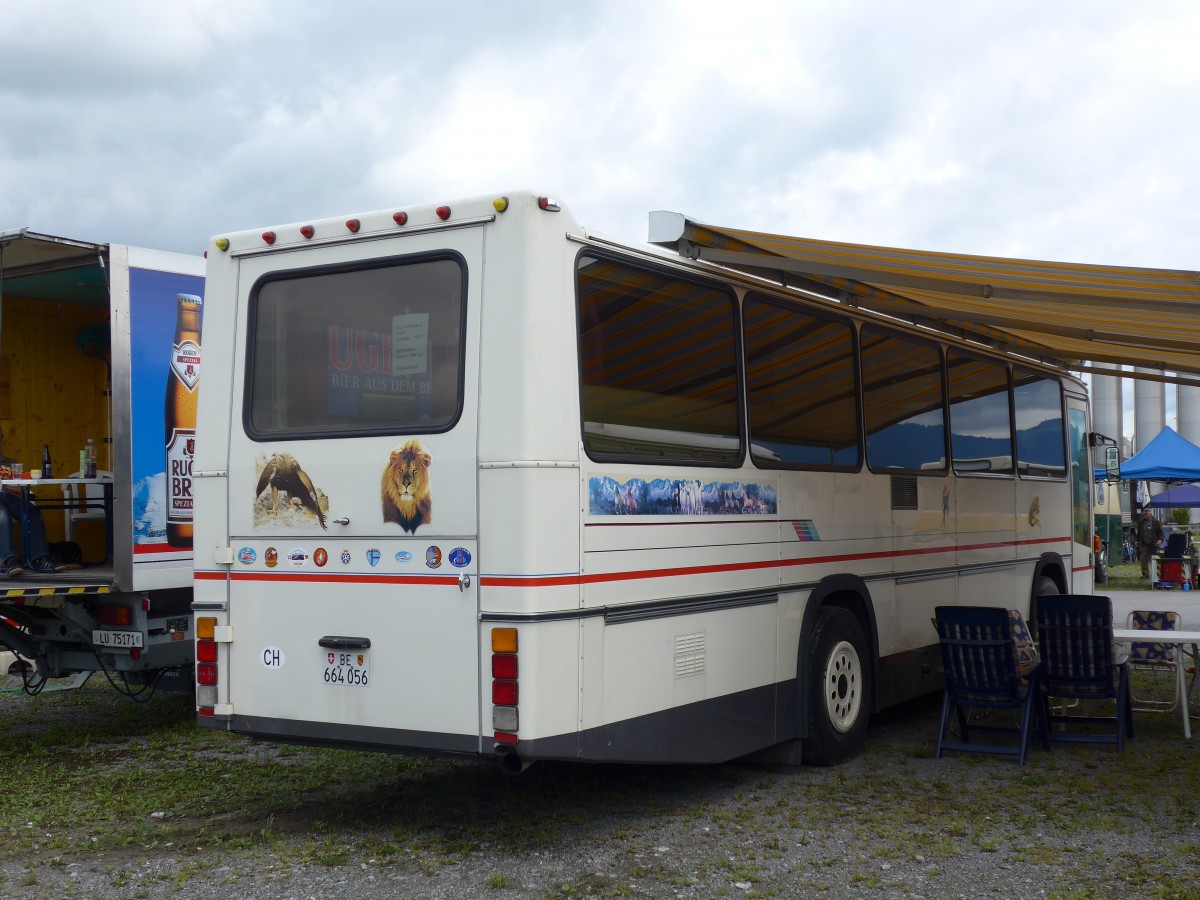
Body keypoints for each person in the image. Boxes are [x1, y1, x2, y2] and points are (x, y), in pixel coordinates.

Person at [0, 429, 57, 576]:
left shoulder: (9, 463)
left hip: (10, 497)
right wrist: (9, 487)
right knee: (2, 516)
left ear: (2, 439)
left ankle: (39, 558)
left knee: (32, 512)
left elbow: (23, 487)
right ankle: (9, 560)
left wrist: (9, 487)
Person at [1136, 508, 1165, 580]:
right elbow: (1138, 533)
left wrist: (1160, 539)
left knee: (1155, 560)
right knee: (1143, 560)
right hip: (1144, 544)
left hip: (1154, 544)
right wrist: (1137, 541)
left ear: (1150, 514)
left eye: (1146, 514)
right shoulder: (1141, 522)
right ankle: (1145, 575)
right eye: (1144, 514)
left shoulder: (1156, 522)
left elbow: (1161, 532)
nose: (1144, 515)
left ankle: (1156, 574)